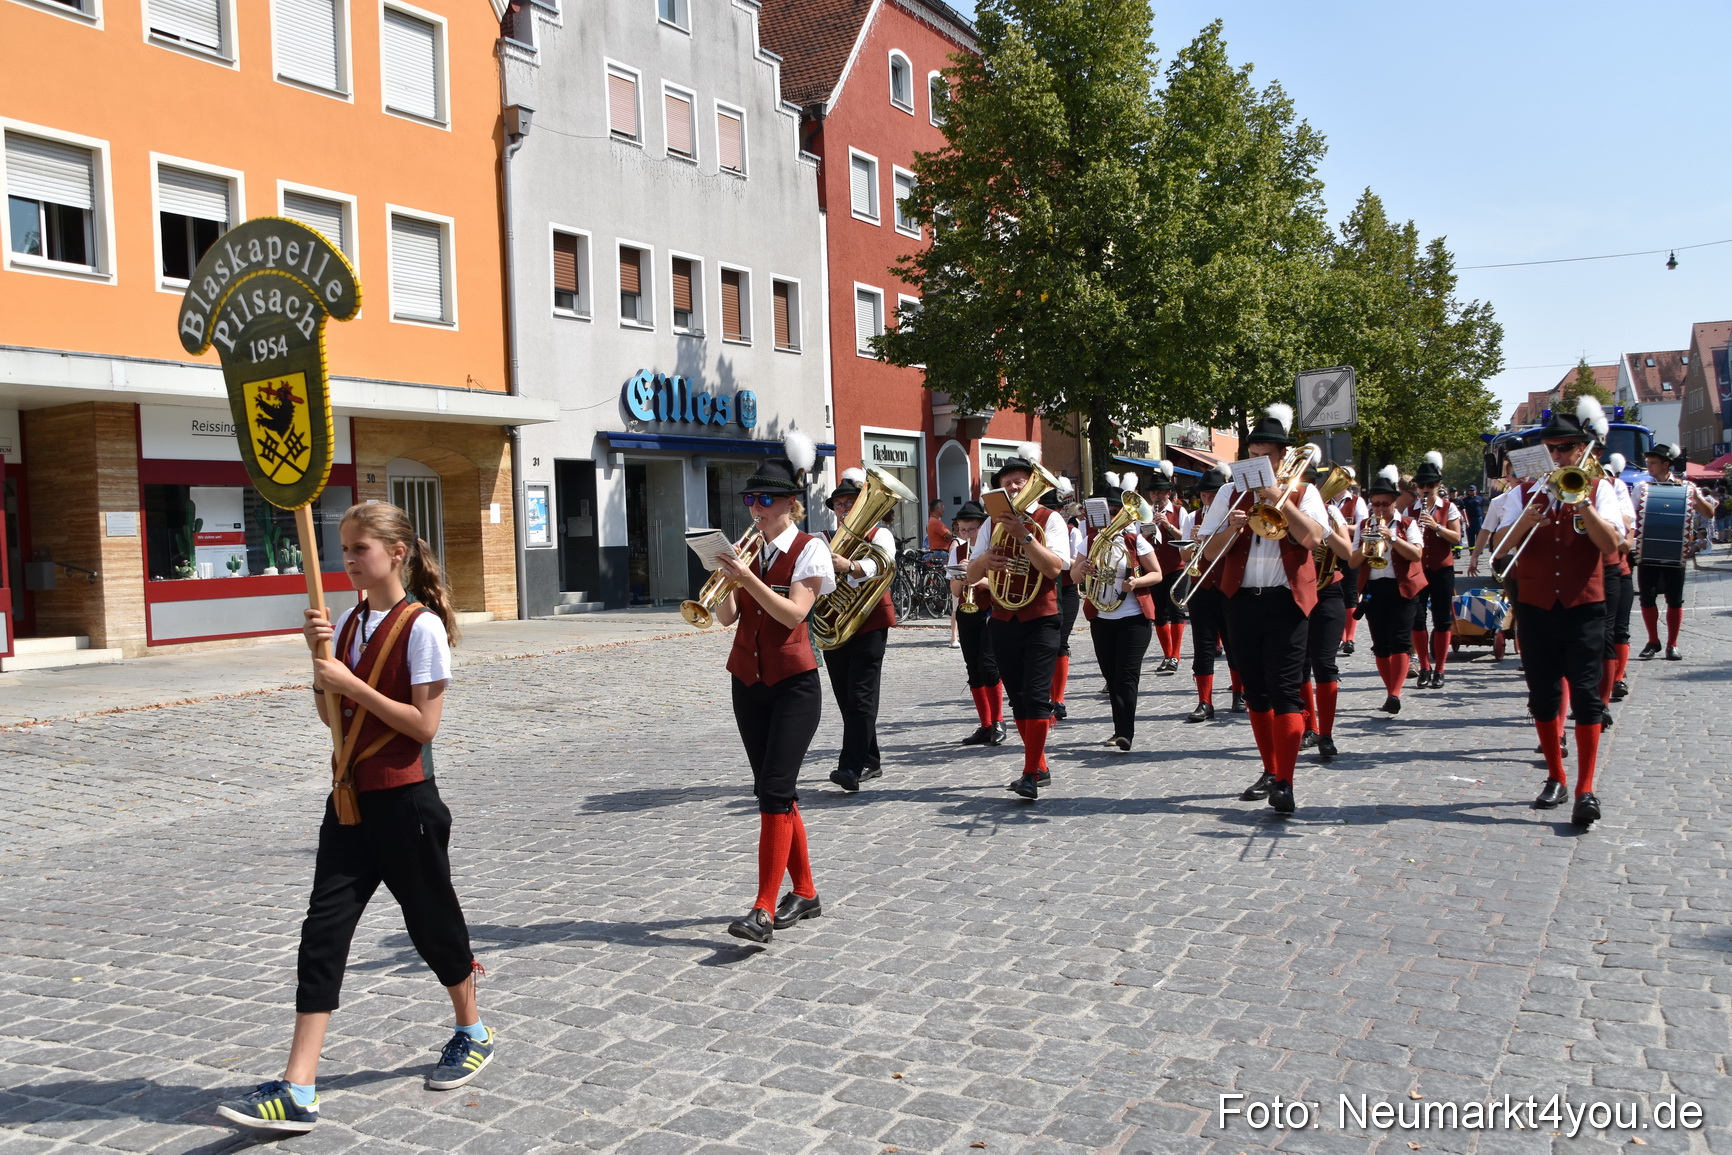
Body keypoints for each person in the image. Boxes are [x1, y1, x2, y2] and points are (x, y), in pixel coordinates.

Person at [217, 502, 486, 1135]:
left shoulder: (421, 628)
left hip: (407, 802)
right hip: (348, 800)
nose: (348, 561)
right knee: (323, 931)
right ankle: (299, 1087)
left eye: (359, 548)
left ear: (395, 553)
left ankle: (471, 1030)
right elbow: (331, 721)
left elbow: (423, 726)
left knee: (433, 925)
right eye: (343, 550)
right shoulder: (348, 623)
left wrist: (349, 681)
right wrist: (320, 672)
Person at [713, 434, 836, 942]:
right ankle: (805, 891)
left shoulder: (812, 551)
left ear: (791, 504)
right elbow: (723, 618)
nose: (756, 509)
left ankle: (762, 909)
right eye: (750, 500)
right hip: (748, 681)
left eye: (766, 500)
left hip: (794, 687)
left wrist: (749, 579)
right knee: (774, 791)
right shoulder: (751, 553)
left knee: (774, 794)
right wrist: (722, 581)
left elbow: (793, 613)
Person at [1493, 399, 1622, 829]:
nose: (1559, 456)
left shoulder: (1601, 489)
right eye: (1552, 449)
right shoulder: (1520, 494)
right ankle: (1556, 776)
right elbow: (1499, 551)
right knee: (1543, 696)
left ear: (1582, 450)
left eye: (1566, 448)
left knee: (1586, 697)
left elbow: (1612, 547)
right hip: (1535, 606)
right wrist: (1528, 520)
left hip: (1584, 604)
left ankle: (1586, 787)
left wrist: (1582, 502)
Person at [1195, 404, 1327, 814]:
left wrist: (1279, 502)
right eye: (1253, 454)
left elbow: (1314, 539)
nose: (1258, 461)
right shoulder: (1227, 492)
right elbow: (1207, 553)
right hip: (1240, 601)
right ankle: (1270, 770)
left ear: (1282, 457)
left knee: (1286, 691)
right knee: (1256, 692)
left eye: (1266, 455)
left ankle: (1285, 782)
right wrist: (1230, 528)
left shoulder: (1306, 492)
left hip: (1287, 603)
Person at [965, 441, 1072, 800]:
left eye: (1020, 480)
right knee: (1019, 699)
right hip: (1002, 617)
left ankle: (1029, 772)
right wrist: (988, 563)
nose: (1013, 485)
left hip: (1041, 616)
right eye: (1007, 480)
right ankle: (1038, 765)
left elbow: (1054, 567)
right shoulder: (990, 524)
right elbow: (970, 572)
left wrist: (1024, 537)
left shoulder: (1050, 519)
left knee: (1038, 697)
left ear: (1031, 484)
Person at [820, 468, 896, 793]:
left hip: (869, 625)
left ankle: (850, 766)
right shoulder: (820, 540)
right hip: (833, 625)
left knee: (861, 696)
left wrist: (850, 566)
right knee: (846, 697)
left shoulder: (880, 536)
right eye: (840, 504)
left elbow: (883, 564)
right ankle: (871, 759)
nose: (845, 508)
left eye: (851, 502)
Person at [1076, 501, 1162, 750]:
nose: (1109, 520)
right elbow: (1073, 576)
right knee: (1111, 677)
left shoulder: (1135, 541)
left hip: (1134, 617)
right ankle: (1118, 729)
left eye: (1114, 515)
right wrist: (1084, 568)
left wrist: (1136, 582)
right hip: (1102, 618)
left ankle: (1126, 733)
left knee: (1126, 676)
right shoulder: (1090, 541)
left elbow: (1156, 573)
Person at [1351, 466, 1425, 714]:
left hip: (1403, 588)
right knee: (1380, 645)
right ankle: (1389, 690)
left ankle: (1395, 693)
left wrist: (1392, 539)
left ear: (1394, 503)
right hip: (1374, 588)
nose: (1380, 509)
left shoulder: (1407, 523)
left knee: (1400, 642)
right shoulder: (1364, 525)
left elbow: (1416, 554)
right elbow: (1351, 563)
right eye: (1376, 504)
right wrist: (1366, 543)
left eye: (1385, 504)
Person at [1633, 443, 1716, 661]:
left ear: (1666, 464)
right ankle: (1653, 641)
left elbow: (1709, 514)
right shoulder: (1641, 488)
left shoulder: (1687, 486)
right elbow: (1632, 517)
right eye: (1648, 462)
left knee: (1675, 599)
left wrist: (1694, 496)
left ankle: (1672, 644)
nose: (1648, 466)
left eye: (1653, 463)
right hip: (1648, 549)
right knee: (1647, 597)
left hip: (1675, 551)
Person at [1300, 479, 1355, 759]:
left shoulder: (1332, 513)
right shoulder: (1289, 509)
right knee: (1299, 665)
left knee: (1324, 663)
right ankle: (1309, 727)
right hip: (1297, 591)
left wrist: (1327, 530)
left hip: (1328, 592)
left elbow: (1348, 555)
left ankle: (1327, 734)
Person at [947, 501, 1005, 745]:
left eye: (971, 530)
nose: (966, 535)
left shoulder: (993, 550)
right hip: (966, 611)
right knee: (973, 669)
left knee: (989, 667)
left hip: (990, 610)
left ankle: (999, 721)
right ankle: (985, 724)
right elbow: (954, 590)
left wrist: (976, 576)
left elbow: (1000, 587)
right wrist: (962, 576)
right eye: (962, 530)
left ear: (982, 528)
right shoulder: (958, 551)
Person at [1183, 463, 1237, 722]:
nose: (1208, 500)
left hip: (1229, 585)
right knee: (1202, 646)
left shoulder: (1234, 517)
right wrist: (1194, 541)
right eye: (1204, 496)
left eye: (1213, 495)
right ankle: (1205, 701)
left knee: (1234, 643)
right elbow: (1183, 555)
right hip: (1201, 586)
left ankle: (1240, 693)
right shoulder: (1191, 518)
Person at [1409, 451, 1463, 689]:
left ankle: (1440, 669)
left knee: (1442, 620)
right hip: (1418, 571)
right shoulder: (1409, 511)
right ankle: (1423, 667)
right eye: (1422, 485)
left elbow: (1457, 538)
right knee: (1417, 619)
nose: (1425, 488)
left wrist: (1436, 527)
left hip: (1441, 569)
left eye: (1430, 484)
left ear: (1438, 485)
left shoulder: (1448, 507)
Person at [1143, 460, 1192, 675]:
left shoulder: (1180, 511)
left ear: (1169, 493)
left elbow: (1186, 539)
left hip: (1176, 566)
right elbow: (1139, 541)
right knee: (1159, 614)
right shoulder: (1144, 513)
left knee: (1176, 610)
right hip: (1155, 570)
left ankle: (1176, 655)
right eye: (1154, 493)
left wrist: (1167, 525)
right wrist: (1148, 529)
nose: (1157, 496)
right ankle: (1167, 655)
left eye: (1161, 492)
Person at [1598, 454, 1637, 710]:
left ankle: (1618, 679)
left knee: (1616, 631)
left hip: (1618, 571)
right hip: (1585, 575)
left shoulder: (1616, 489)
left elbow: (1626, 540)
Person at [1043, 477, 1083, 720]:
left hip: (1066, 590)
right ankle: (1045, 694)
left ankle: (1058, 698)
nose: (1057, 513)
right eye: (1052, 509)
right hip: (1044, 589)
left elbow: (1074, 564)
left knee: (1060, 642)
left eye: (1059, 509)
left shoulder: (1072, 532)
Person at [1332, 468, 1367, 656]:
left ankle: (1350, 637)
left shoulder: (1357, 502)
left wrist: (1339, 526)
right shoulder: (1325, 500)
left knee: (1350, 592)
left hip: (1351, 552)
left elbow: (1362, 526)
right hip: (1330, 552)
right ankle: (1338, 634)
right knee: (1333, 593)